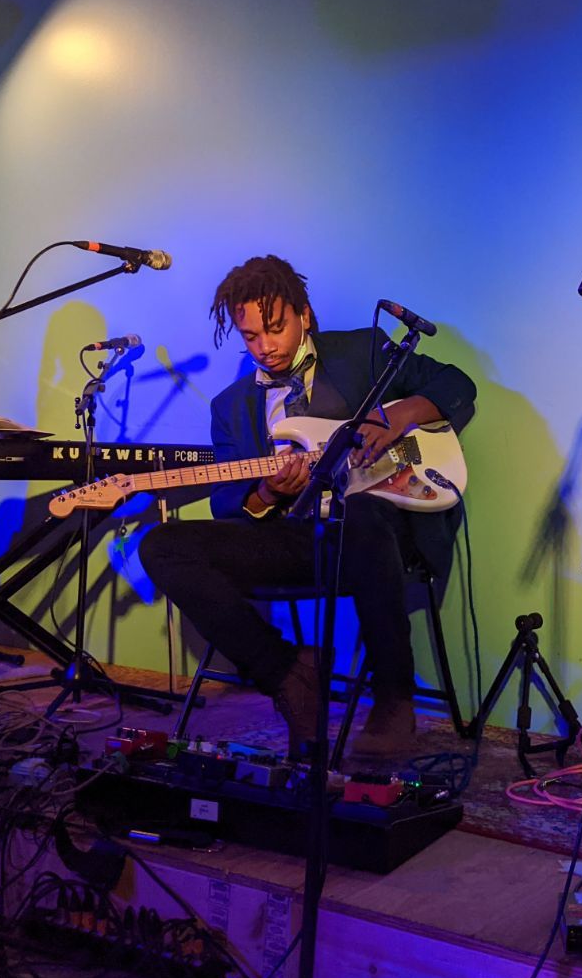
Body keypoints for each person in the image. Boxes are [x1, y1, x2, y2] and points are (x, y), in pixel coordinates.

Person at [140, 255, 475, 758]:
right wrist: (269, 493)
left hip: (380, 527)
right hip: (299, 537)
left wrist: (397, 416)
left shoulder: (362, 350)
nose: (265, 346)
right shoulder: (229, 407)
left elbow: (456, 384)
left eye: (275, 329)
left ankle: (393, 696)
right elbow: (228, 506)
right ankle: (288, 671)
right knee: (162, 546)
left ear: (305, 315)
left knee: (361, 513)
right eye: (250, 336)